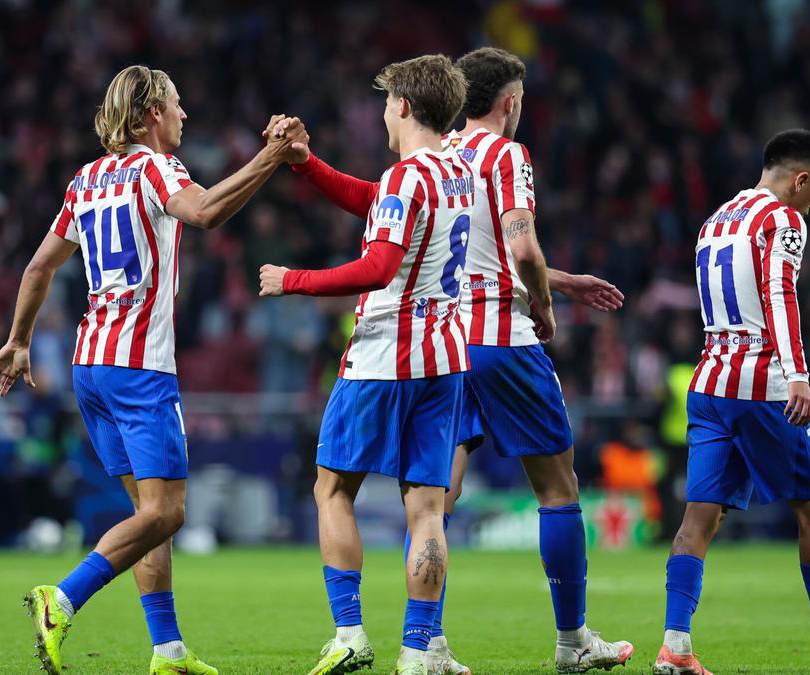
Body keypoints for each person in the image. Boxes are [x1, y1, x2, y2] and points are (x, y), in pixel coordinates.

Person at [270, 47, 631, 674]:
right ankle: (543, 641)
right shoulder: (473, 166)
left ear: (408, 104)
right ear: (509, 101)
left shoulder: (441, 160)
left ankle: (391, 637)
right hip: (478, 345)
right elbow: (517, 250)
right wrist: (547, 302)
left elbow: (386, 230)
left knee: (364, 491)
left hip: (429, 339)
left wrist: (293, 276)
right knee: (539, 491)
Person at [0, 64, 304, 675]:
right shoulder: (155, 169)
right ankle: (63, 599)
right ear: (152, 113)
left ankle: (168, 653)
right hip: (138, 369)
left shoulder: (86, 180)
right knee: (167, 513)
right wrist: (270, 158)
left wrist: (19, 339)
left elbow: (37, 269)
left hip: (90, 365)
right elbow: (206, 212)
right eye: (178, 105)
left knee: (146, 515)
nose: (185, 115)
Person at [258, 54, 472, 675]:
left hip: (384, 354)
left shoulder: (409, 177)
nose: (383, 112)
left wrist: (292, 279)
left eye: (385, 102)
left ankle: (350, 633)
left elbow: (378, 267)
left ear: (403, 105)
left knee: (332, 488)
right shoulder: (456, 173)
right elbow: (373, 199)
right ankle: (418, 649)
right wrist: (307, 165)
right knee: (427, 507)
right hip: (444, 356)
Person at [654, 129, 810, 674]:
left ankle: (675, 645)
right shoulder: (784, 220)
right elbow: (780, 295)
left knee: (700, 517)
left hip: (709, 380)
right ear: (800, 179)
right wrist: (798, 376)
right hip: (762, 385)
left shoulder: (715, 220)